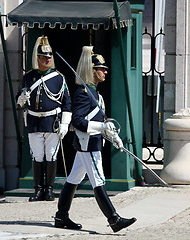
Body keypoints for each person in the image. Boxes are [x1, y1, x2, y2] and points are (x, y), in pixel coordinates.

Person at [54, 46, 136, 232]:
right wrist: (102, 127)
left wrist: (113, 136)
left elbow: (101, 120)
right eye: (101, 69)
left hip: (92, 142)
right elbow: (78, 122)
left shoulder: (95, 94)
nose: (105, 72)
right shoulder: (83, 93)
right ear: (92, 71)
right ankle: (114, 219)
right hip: (88, 144)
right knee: (98, 181)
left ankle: (61, 216)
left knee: (73, 179)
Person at [17, 36, 72, 202]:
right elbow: (18, 102)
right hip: (34, 121)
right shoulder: (29, 77)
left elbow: (66, 102)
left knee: (51, 155)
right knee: (37, 156)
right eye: (44, 57)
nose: (47, 60)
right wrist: (21, 98)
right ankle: (37, 189)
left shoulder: (58, 77)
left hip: (52, 122)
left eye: (49, 57)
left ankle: (49, 189)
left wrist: (64, 124)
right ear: (38, 58)